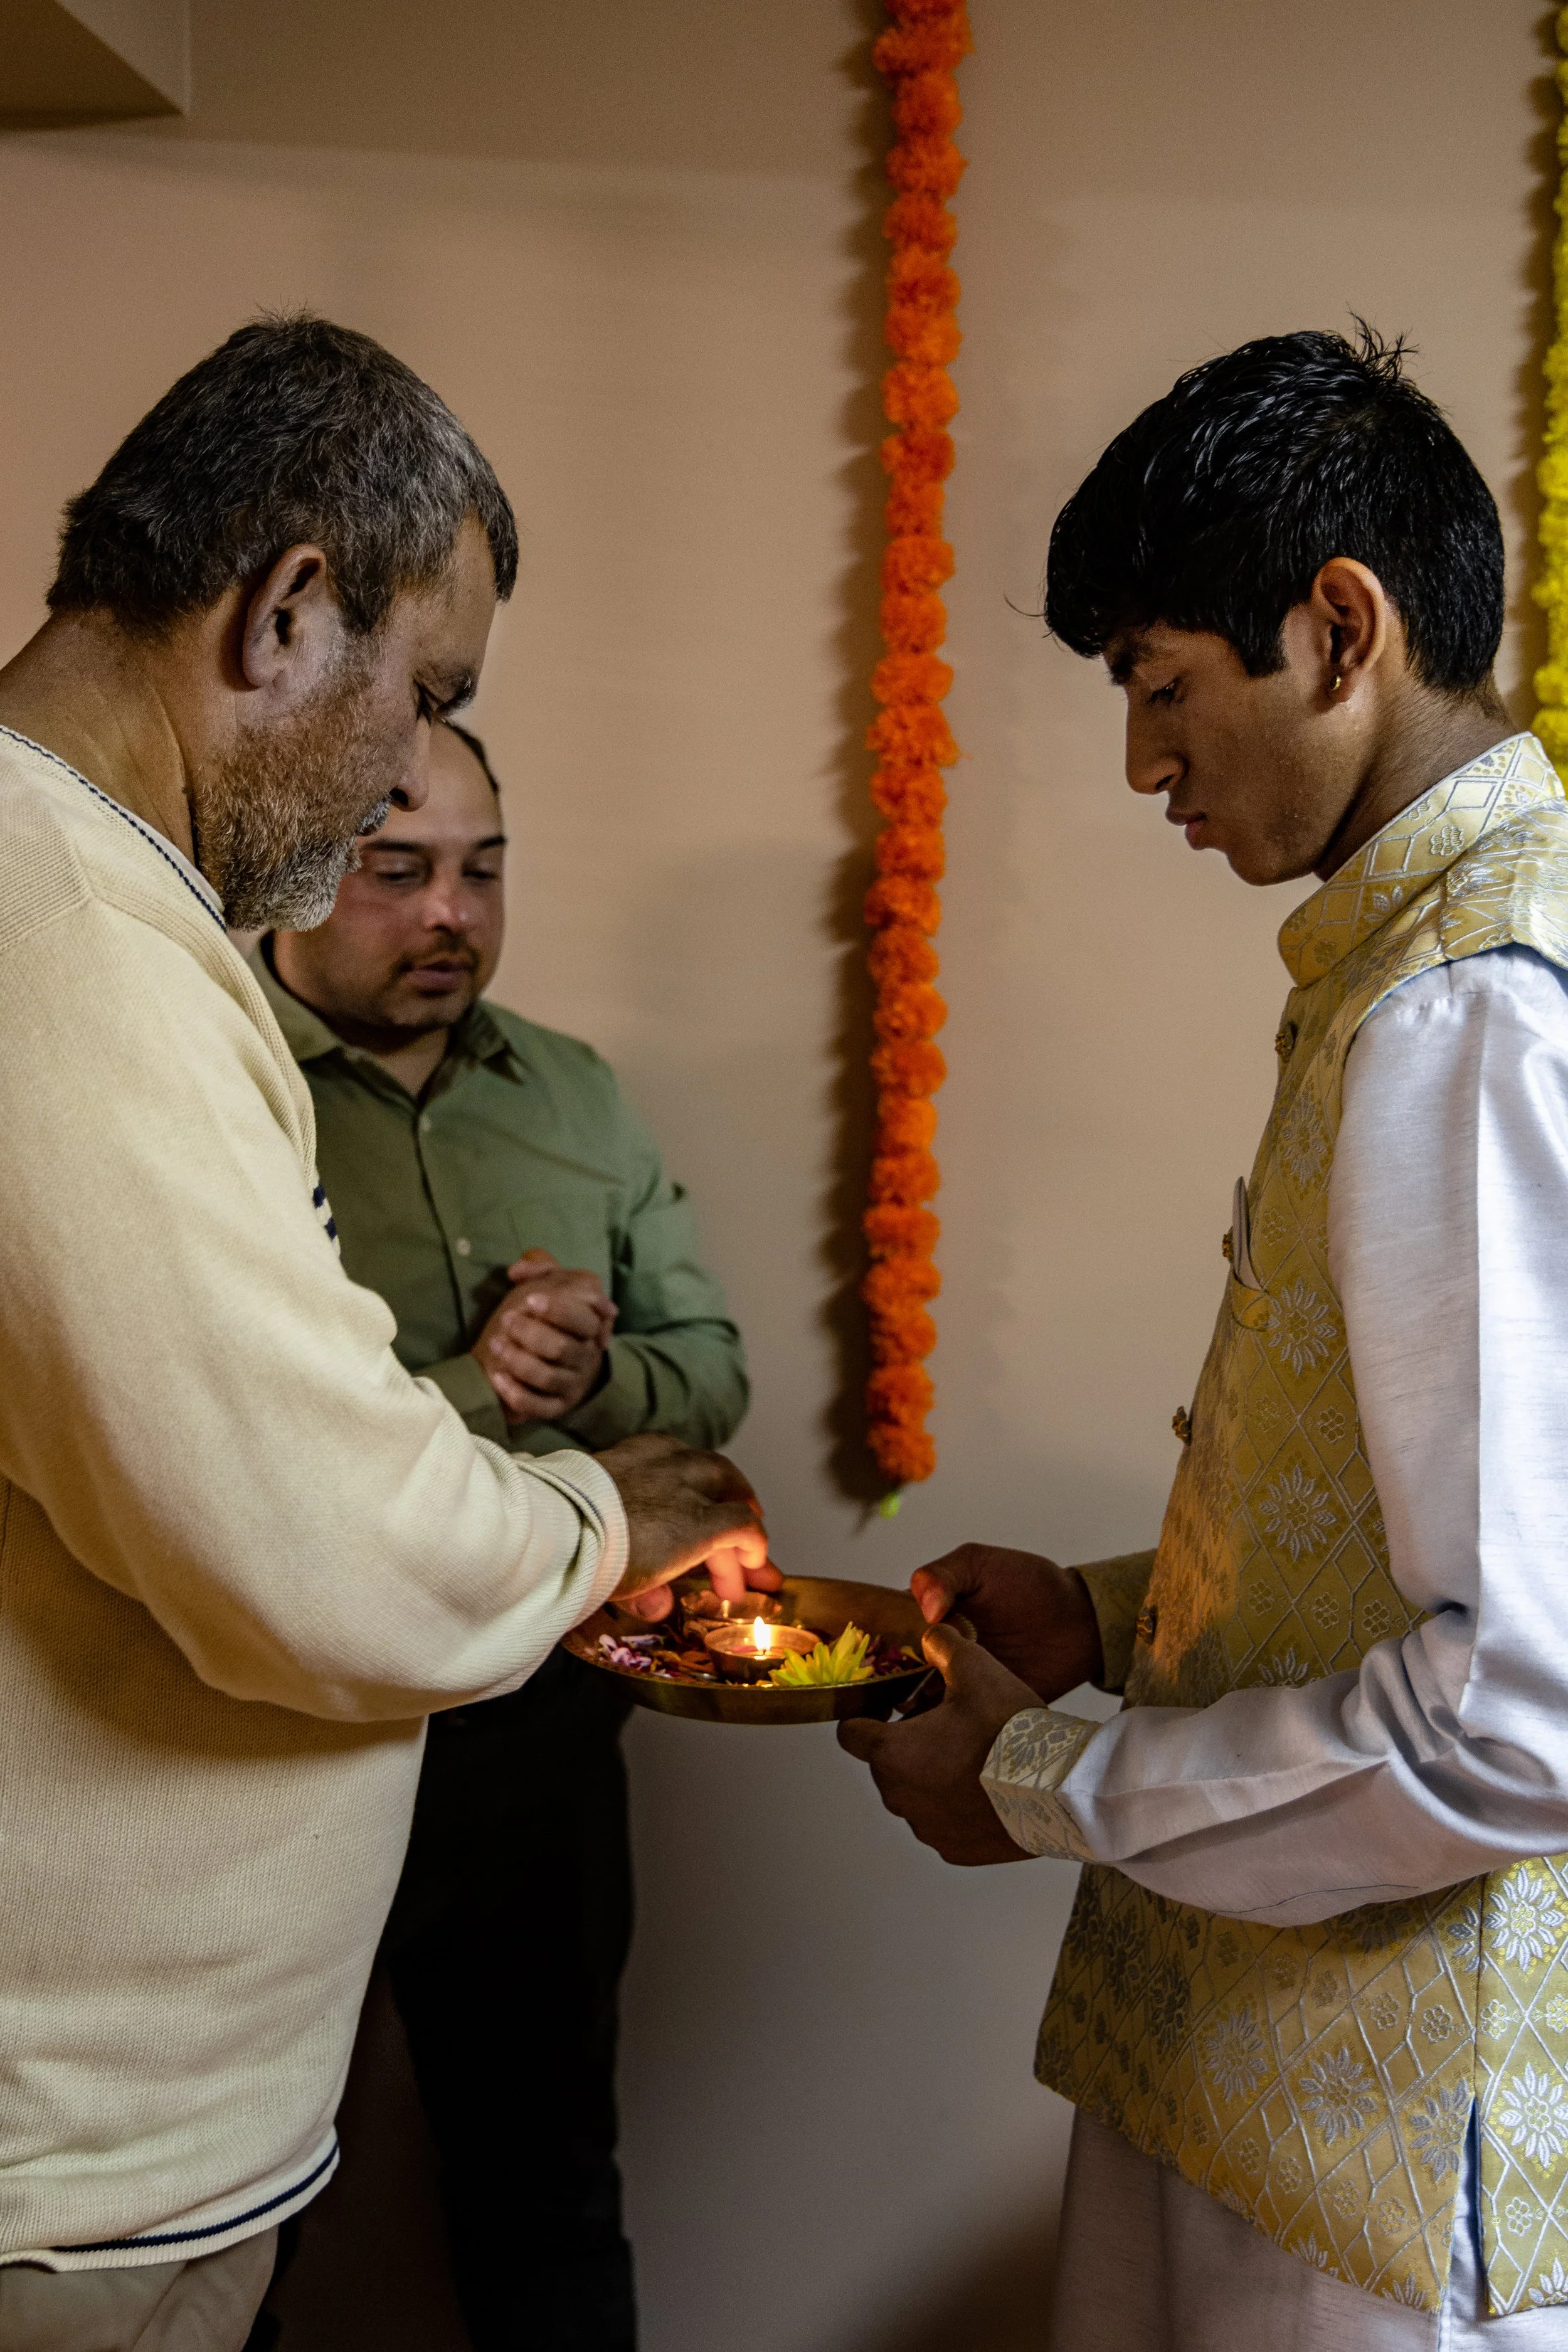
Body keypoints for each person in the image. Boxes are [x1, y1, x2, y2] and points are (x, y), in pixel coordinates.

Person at [0, 314, 773, 2352]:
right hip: (61, 2183)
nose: (393, 796)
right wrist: (609, 1520)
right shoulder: (65, 939)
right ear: (283, 615)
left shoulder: (99, 919)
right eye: (416, 696)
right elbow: (323, 1540)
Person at [840, 326, 1568, 2345]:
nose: (1142, 762)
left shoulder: (1471, 1004)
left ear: (1340, 631)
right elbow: (1411, 1513)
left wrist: (1051, 1770)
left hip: (1375, 2143)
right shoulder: (1416, 962)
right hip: (1262, 2065)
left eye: (1165, 689)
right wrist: (1115, 1607)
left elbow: (1524, 1698)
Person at [248, 713, 748, 2349]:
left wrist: (598, 1367)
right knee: (233, 2206)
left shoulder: (578, 1094)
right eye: (398, 871)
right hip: (275, 1739)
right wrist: (472, 1382)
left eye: (481, 868)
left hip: (538, 1725)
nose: (450, 912)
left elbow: (715, 1374)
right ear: (309, 866)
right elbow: (241, 1442)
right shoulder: (215, 1080)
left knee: (546, 2189)